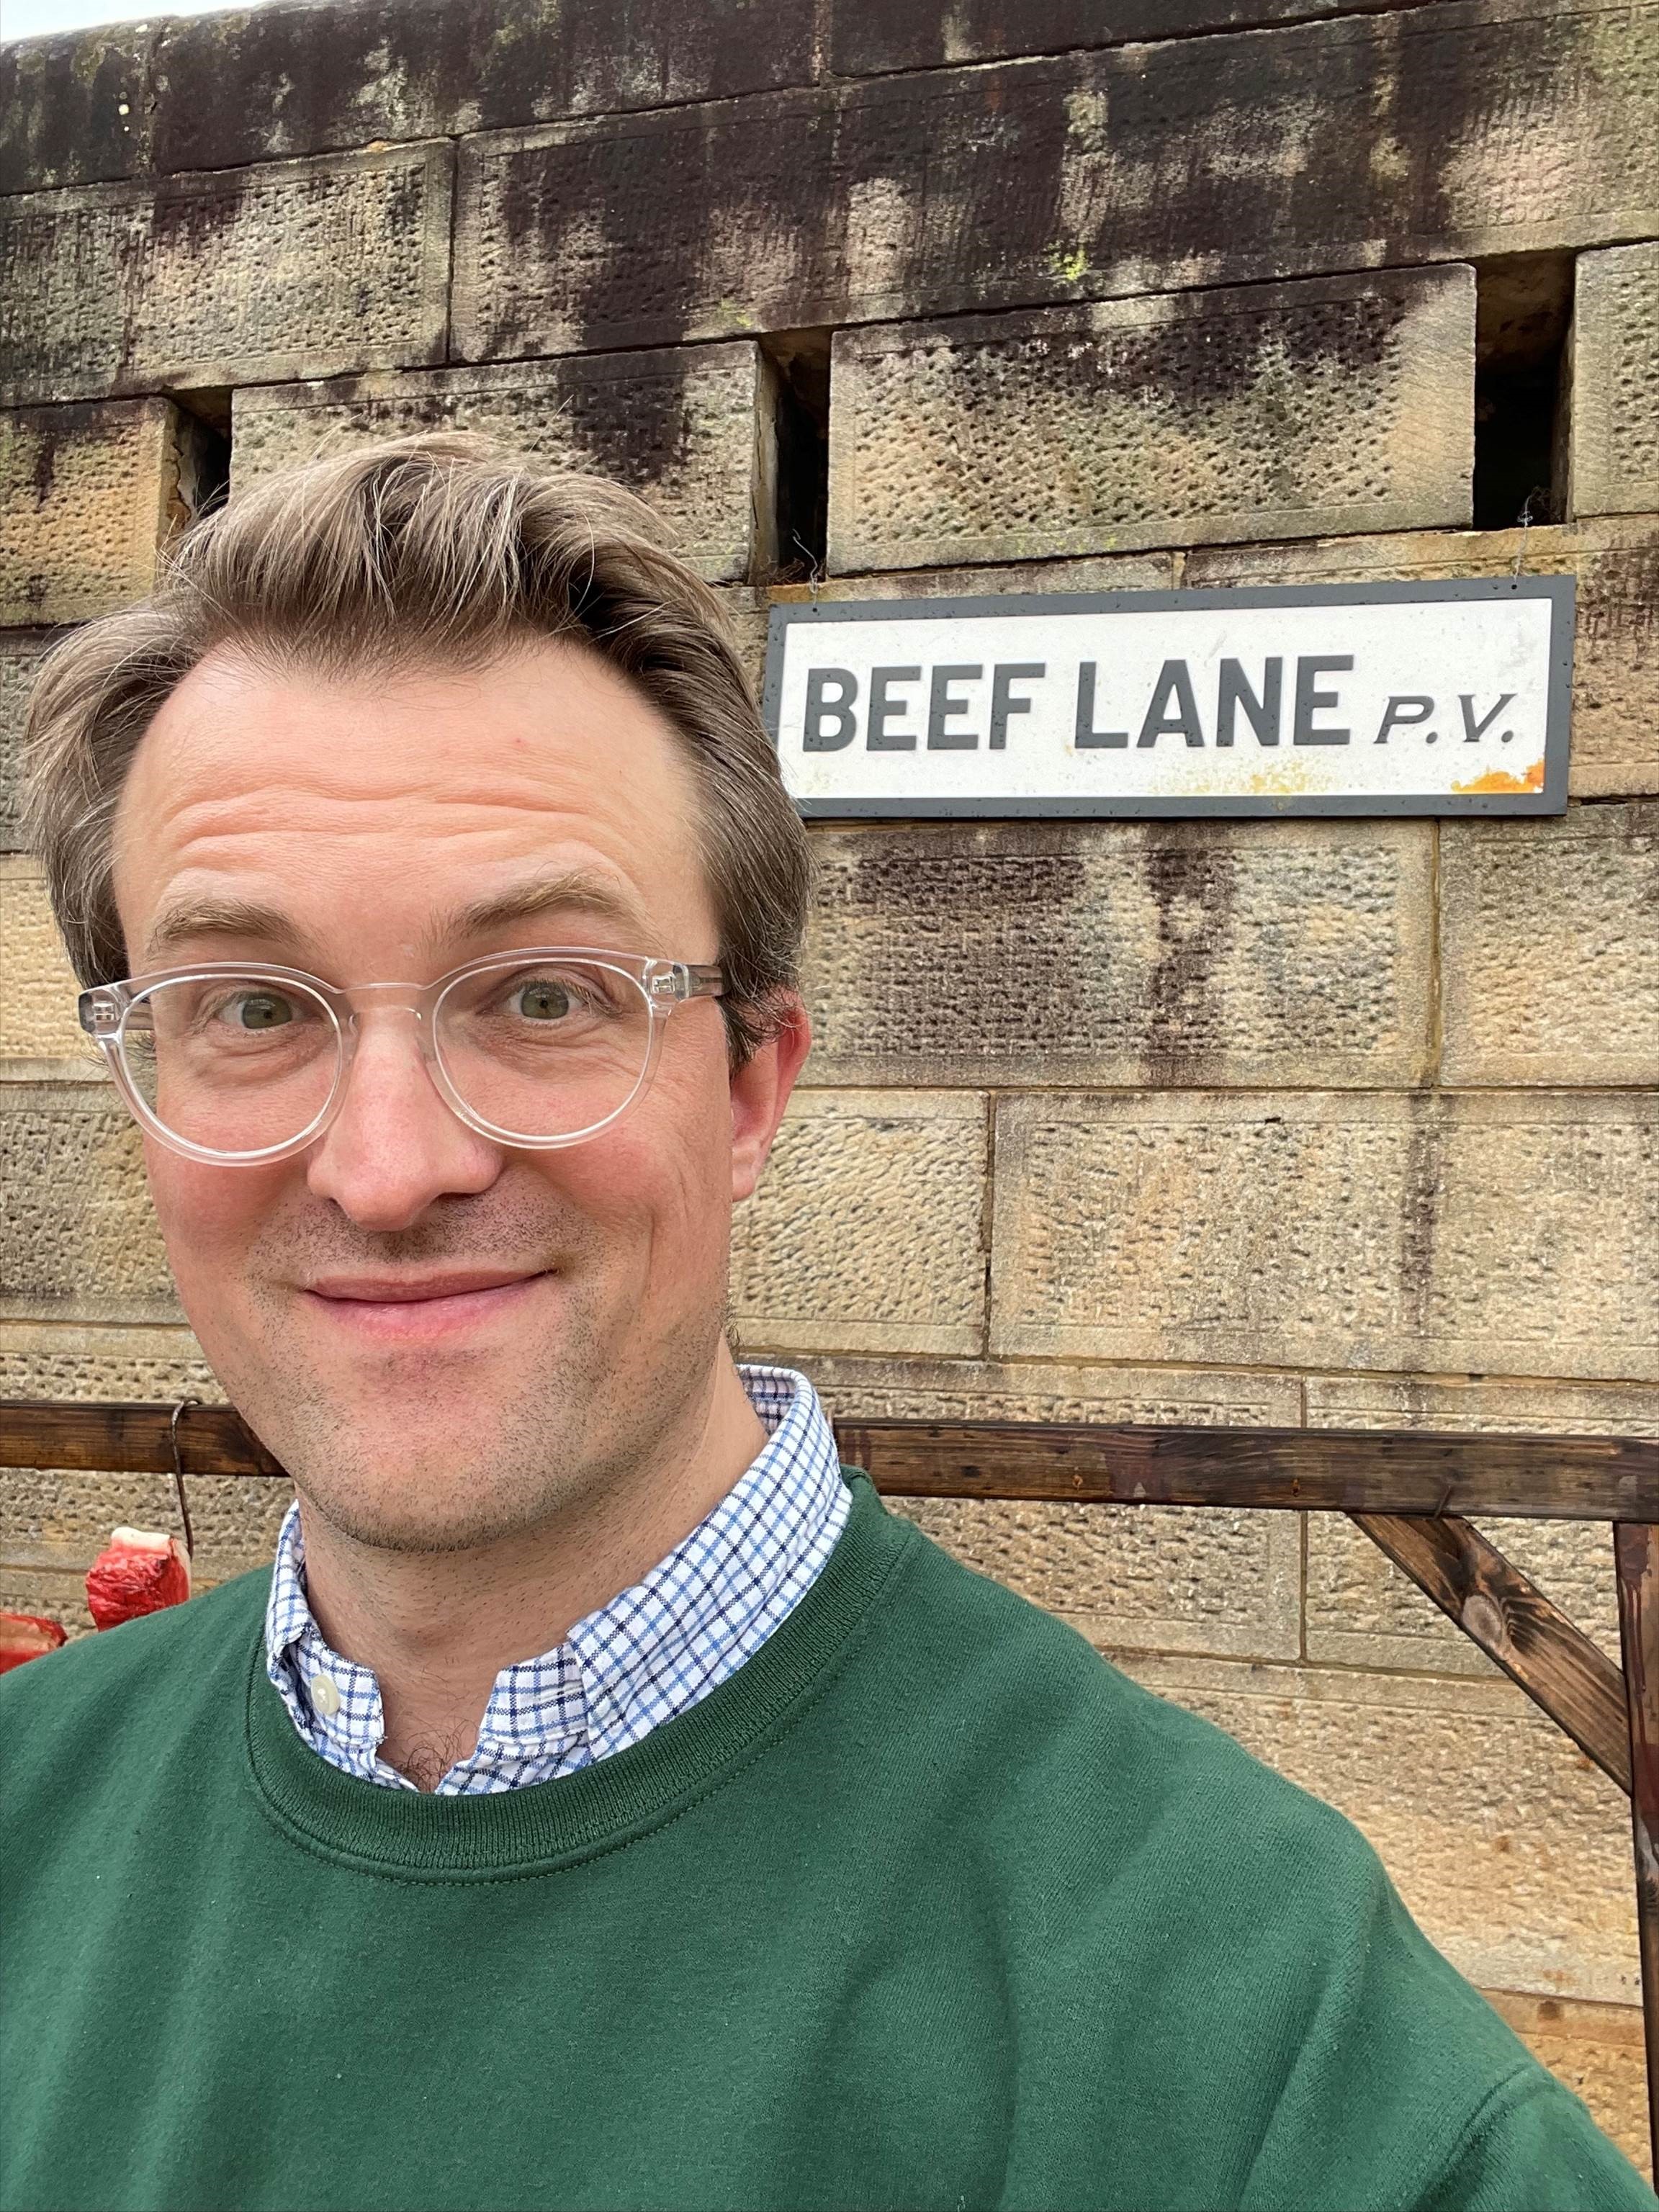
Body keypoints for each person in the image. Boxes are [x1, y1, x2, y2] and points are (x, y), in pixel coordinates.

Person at [1, 435, 1650, 2212]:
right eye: (250, 1004)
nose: (388, 1168)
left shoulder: (1257, 2052)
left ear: (749, 1086)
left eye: (547, 994)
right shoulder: (32, 1812)